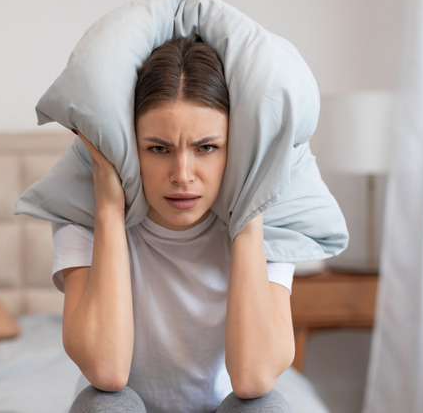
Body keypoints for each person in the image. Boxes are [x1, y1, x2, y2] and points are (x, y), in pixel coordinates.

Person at [56, 35, 295, 412]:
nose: (182, 175)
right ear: (130, 147)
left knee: (266, 407)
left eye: (206, 148)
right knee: (102, 405)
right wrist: (108, 209)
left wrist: (248, 213)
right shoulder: (82, 219)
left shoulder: (276, 225)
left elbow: (253, 377)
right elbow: (107, 371)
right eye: (158, 149)